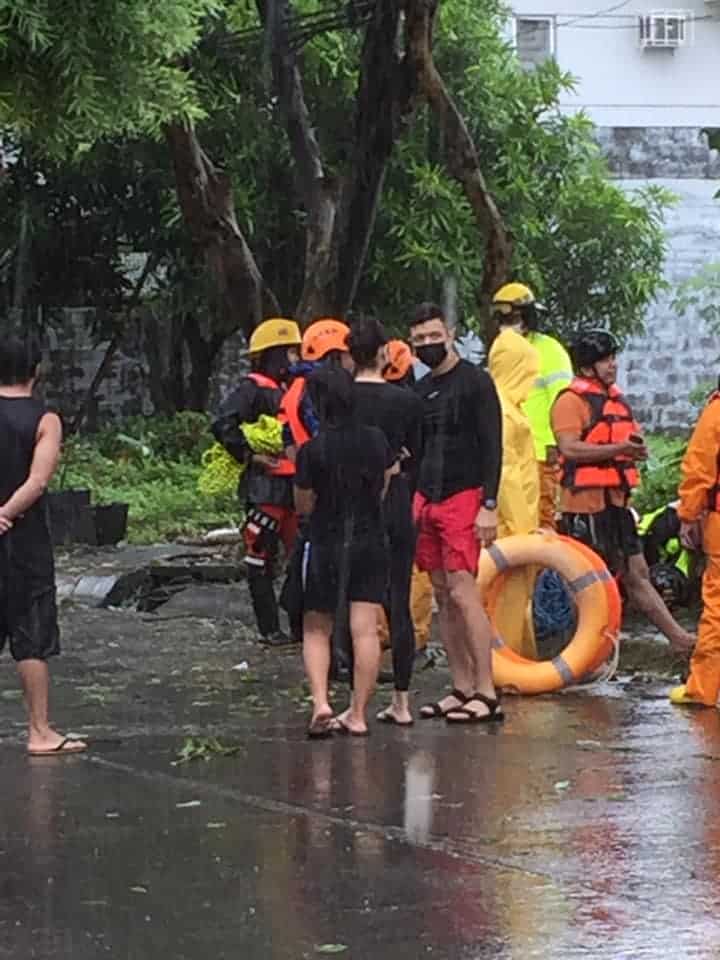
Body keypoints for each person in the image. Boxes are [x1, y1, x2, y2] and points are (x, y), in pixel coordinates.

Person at [550, 329, 694, 654]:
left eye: (613, 357)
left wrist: (632, 451)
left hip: (616, 502)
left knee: (636, 573)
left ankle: (678, 638)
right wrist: (619, 449)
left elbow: (623, 445)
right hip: (584, 506)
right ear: (587, 367)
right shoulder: (570, 401)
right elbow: (569, 449)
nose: (613, 365)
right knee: (587, 581)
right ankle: (584, 652)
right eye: (605, 359)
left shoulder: (615, 400)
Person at [409, 302, 505, 724]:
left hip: (465, 496)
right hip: (426, 498)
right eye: (419, 340)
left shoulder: (476, 383)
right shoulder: (420, 390)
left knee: (465, 592)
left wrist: (489, 503)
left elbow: (493, 446)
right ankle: (461, 686)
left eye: (434, 336)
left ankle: (487, 690)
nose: (428, 344)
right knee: (441, 595)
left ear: (449, 334)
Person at [295, 367, 393, 737]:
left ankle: (321, 702)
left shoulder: (312, 450)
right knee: (365, 629)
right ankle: (358, 713)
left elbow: (303, 504)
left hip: (324, 540)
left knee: (317, 626)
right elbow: (383, 487)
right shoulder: (376, 440)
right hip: (370, 538)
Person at [0, 336, 86, 756]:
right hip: (24, 539)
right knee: (30, 634)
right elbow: (38, 480)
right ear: (36, 370)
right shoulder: (45, 419)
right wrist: (6, 514)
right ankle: (39, 731)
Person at [348, 318, 423, 726]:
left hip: (353, 504)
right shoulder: (407, 401)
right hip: (396, 502)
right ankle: (401, 702)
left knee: (354, 602)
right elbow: (418, 454)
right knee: (399, 603)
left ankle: (354, 701)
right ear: (383, 354)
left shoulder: (341, 398)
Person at [213, 318, 303, 646]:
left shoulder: (292, 390)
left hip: (296, 488)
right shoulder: (250, 389)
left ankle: (298, 624)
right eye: (290, 353)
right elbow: (222, 423)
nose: (295, 359)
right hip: (265, 490)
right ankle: (268, 628)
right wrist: (251, 456)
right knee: (259, 556)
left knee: (300, 557)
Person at [492, 282, 572, 529]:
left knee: (540, 520)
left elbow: (563, 402)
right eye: (503, 317)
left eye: (513, 317)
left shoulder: (548, 349)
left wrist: (554, 443)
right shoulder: (502, 348)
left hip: (540, 452)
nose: (508, 323)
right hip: (508, 451)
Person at [487, 327, 540, 658]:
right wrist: (523, 531)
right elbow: (505, 473)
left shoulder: (510, 407)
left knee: (519, 598)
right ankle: (510, 661)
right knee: (508, 597)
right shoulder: (503, 412)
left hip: (522, 520)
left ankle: (522, 656)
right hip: (511, 527)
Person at [381, 339, 433, 658]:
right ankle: (412, 633)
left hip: (388, 494)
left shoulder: (367, 399)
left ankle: (387, 632)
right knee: (415, 567)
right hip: (412, 491)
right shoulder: (418, 402)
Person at [669, 389, 720, 706]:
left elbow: (699, 469)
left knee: (716, 611)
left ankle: (702, 689)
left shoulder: (716, 413)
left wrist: (688, 517)